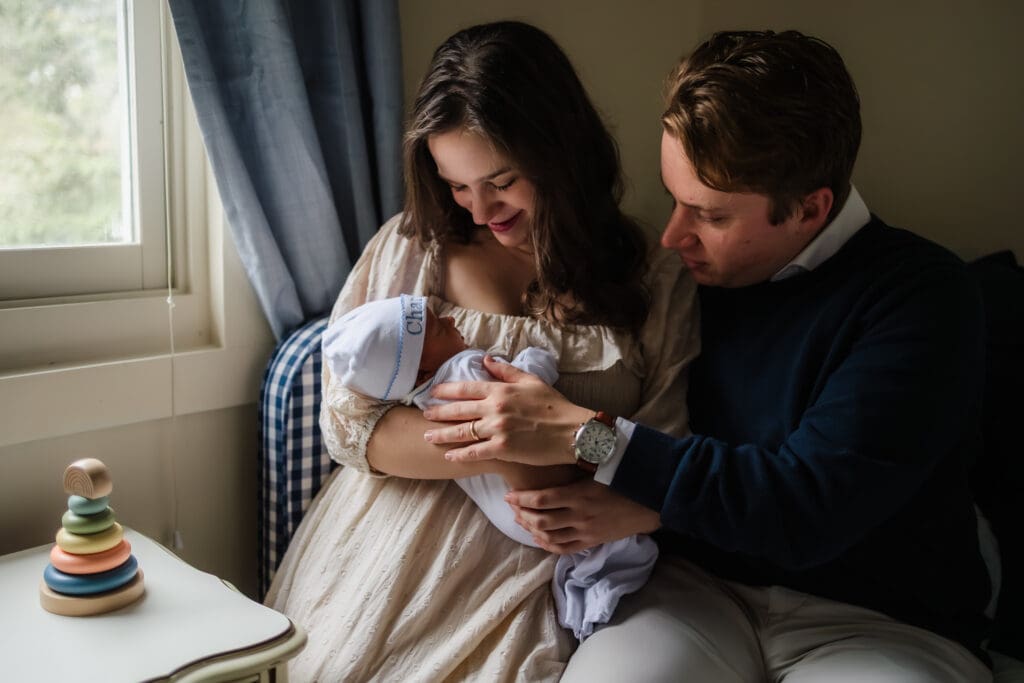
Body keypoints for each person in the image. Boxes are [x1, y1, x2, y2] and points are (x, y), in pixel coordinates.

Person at [425, 30, 994, 681]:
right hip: (695, 592)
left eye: (709, 214)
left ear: (810, 208)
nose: (672, 235)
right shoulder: (682, 281)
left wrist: (581, 436)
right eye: (673, 198)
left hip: (881, 620)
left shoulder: (922, 298)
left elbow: (803, 507)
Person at [264, 21, 699, 682]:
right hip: (394, 551)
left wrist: (599, 472)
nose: (478, 208)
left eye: (500, 180)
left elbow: (662, 458)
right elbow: (350, 426)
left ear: (560, 151)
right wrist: (507, 442)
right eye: (456, 184)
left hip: (559, 561)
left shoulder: (652, 275)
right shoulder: (414, 248)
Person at [321, 293, 659, 640]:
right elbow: (520, 401)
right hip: (535, 496)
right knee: (610, 540)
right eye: (438, 329)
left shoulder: (425, 401)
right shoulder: (464, 369)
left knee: (581, 541)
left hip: (509, 514)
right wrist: (536, 361)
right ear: (421, 369)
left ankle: (588, 590)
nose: (452, 321)